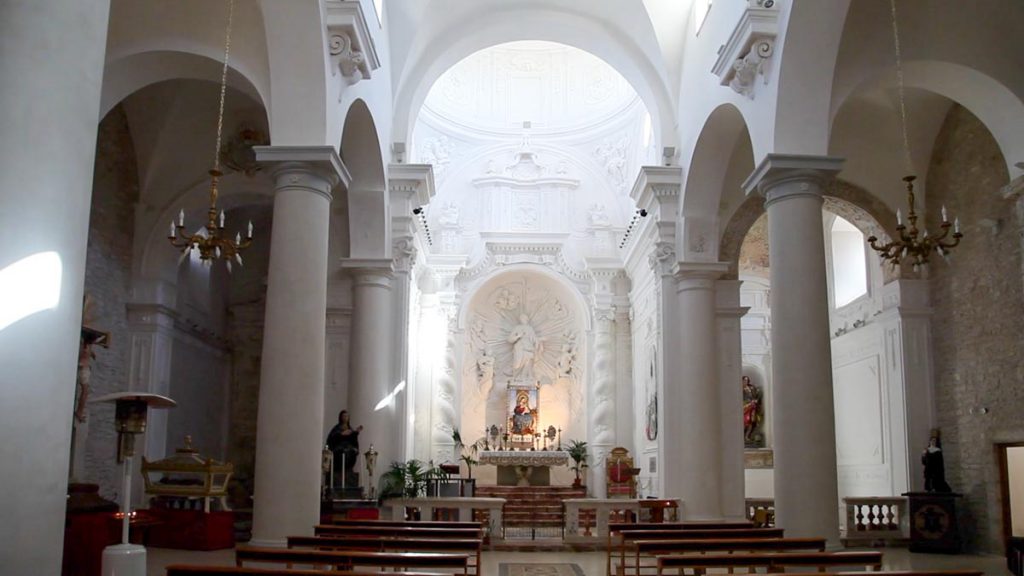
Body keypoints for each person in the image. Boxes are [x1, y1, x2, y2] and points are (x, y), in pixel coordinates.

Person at [326, 410, 362, 487]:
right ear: (341, 417)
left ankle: (348, 470)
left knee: (352, 451)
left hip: (349, 447)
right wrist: (341, 434)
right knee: (343, 451)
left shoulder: (350, 428)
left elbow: (353, 439)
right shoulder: (337, 428)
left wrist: (356, 433)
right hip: (339, 448)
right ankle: (340, 470)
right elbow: (332, 439)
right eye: (344, 416)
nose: (345, 418)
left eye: (347, 416)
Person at [508, 314, 541, 381]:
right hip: (519, 348)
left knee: (528, 362)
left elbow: (534, 338)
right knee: (518, 363)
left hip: (528, 348)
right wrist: (518, 336)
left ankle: (525, 377)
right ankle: (516, 377)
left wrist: (537, 342)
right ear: (520, 320)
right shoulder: (517, 328)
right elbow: (509, 339)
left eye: (525, 319)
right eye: (522, 318)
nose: (524, 320)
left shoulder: (530, 328)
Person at [742, 376, 762, 444]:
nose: (746, 381)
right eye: (744, 380)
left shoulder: (750, 388)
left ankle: (747, 437)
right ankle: (742, 436)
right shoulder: (740, 388)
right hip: (744, 407)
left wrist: (754, 400)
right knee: (745, 422)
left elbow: (754, 395)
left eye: (747, 380)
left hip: (752, 406)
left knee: (751, 422)